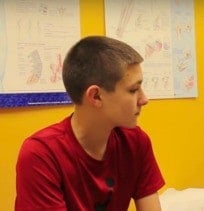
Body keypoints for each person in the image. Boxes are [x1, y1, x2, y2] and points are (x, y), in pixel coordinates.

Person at [15, 36, 165, 211]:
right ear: (96, 96)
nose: (144, 99)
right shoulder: (41, 154)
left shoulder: (136, 142)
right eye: (133, 90)